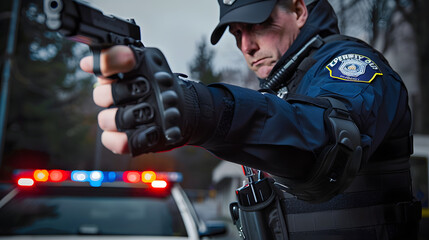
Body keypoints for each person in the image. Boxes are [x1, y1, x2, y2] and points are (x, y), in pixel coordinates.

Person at [80, 0, 421, 239]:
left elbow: (331, 146)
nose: (247, 46)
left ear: (298, 10)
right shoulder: (282, 90)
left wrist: (205, 111)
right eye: (236, 33)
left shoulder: (352, 66)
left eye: (259, 25)